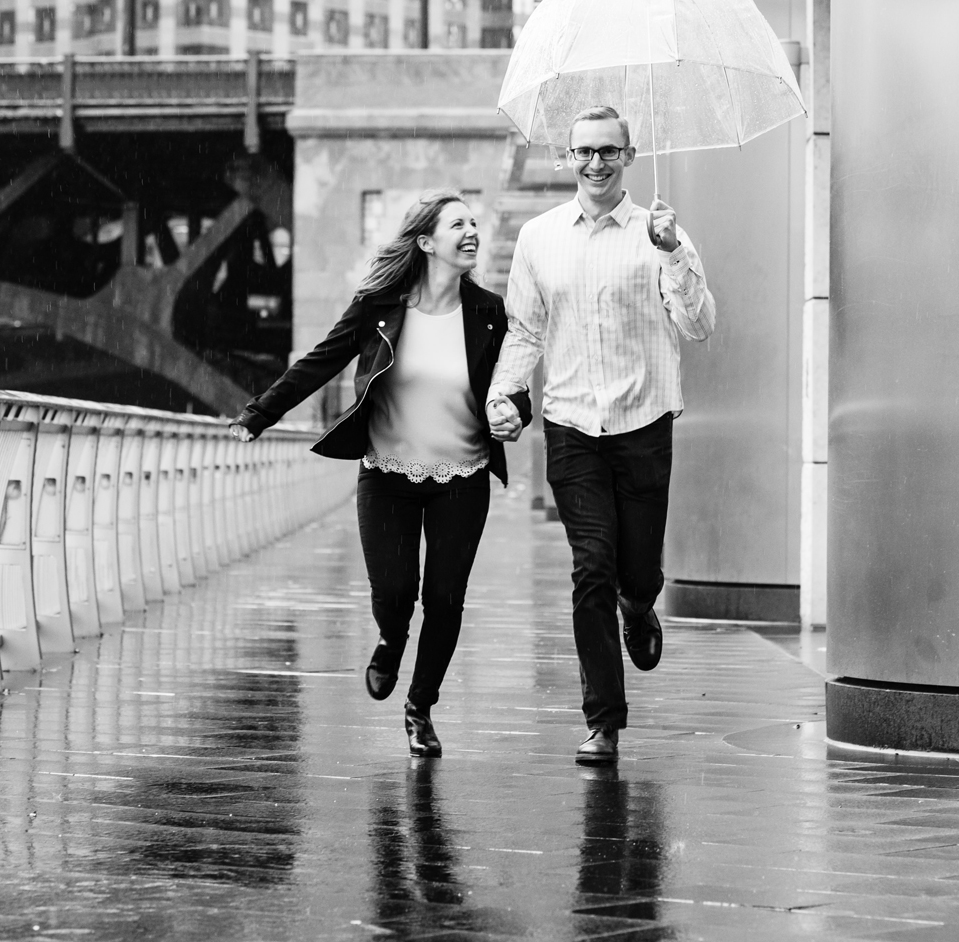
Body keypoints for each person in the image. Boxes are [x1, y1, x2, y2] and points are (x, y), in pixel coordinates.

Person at [229, 191, 529, 759]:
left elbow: (512, 388)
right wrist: (259, 414)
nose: (471, 232)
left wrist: (515, 414)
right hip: (386, 474)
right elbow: (321, 360)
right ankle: (392, 639)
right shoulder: (380, 305)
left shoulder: (489, 311)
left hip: (462, 475)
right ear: (425, 242)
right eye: (456, 225)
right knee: (395, 592)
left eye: (474, 223)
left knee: (445, 598)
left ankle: (420, 707)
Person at [486, 105, 715, 765]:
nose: (594, 162)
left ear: (629, 155)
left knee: (634, 569)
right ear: (569, 155)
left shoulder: (662, 232)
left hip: (644, 421)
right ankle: (603, 721)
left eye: (608, 151)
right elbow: (525, 332)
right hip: (572, 426)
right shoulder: (539, 238)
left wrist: (673, 254)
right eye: (584, 151)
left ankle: (640, 607)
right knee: (591, 568)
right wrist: (506, 394)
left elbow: (699, 324)